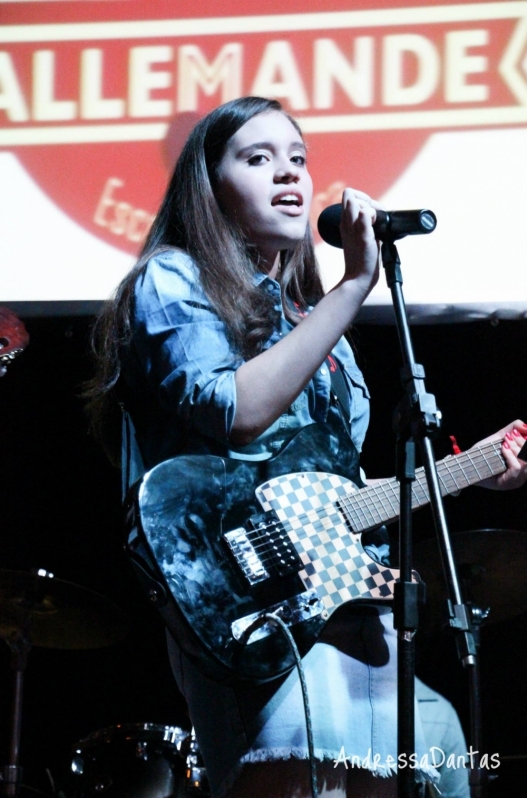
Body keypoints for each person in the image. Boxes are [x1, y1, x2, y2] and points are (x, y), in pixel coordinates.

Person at [85, 96, 527, 798]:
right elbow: (235, 415)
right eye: (257, 159)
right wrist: (353, 286)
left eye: (297, 159)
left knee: (423, 753)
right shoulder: (172, 280)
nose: (288, 175)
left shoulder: (318, 331)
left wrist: (465, 470)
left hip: (342, 605)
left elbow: (331, 495)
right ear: (208, 182)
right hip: (245, 600)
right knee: (296, 770)